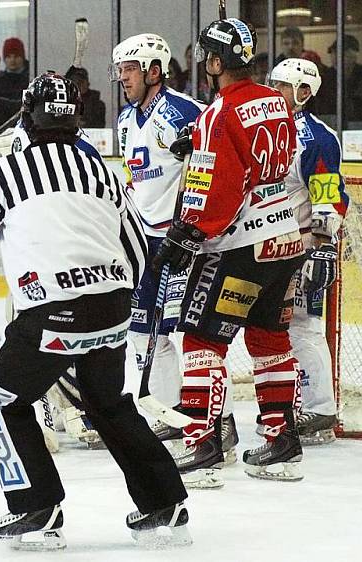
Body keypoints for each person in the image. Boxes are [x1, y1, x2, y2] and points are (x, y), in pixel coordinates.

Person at [0, 72, 190, 551]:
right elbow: (137, 248)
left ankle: (34, 505)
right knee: (107, 402)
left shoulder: (6, 173)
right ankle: (163, 499)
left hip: (53, 313)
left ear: (28, 119)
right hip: (115, 309)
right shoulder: (100, 171)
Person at [154, 18, 303, 487]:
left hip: (239, 244)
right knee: (268, 339)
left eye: (207, 61)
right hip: (285, 240)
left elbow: (219, 182)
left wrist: (189, 232)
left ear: (218, 62)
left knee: (202, 338)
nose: (204, 68)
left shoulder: (220, 113)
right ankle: (281, 441)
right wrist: (199, 136)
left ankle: (203, 443)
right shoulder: (276, 100)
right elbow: (262, 149)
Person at [109, 33, 214, 447]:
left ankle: (207, 416)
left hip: (180, 241)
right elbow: (134, 176)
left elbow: (215, 158)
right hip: (140, 241)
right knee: (140, 331)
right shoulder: (123, 119)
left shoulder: (186, 111)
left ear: (155, 70)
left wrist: (203, 140)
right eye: (120, 71)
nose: (124, 78)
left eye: (130, 69)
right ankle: (168, 409)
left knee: (186, 333)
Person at [268, 58, 349, 445]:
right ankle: (282, 401)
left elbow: (328, 197)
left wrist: (322, 246)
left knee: (304, 325)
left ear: (304, 92)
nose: (275, 91)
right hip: (262, 244)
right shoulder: (266, 127)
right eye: (274, 83)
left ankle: (318, 410)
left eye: (284, 86)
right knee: (266, 329)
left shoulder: (317, 137)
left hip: (299, 244)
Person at [318, 34, 362, 124]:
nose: (337, 56)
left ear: (354, 55)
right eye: (333, 52)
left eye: (343, 52)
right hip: (331, 130)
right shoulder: (324, 80)